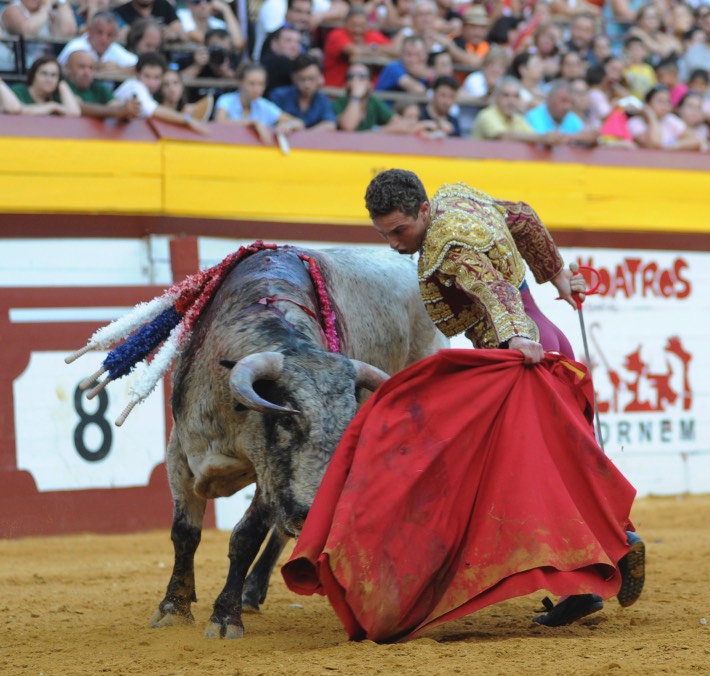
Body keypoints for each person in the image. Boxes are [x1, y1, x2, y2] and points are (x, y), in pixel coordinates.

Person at [281, 169, 645, 639]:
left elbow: (490, 286)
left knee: (516, 482)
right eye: (384, 234)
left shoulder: (447, 249)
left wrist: (515, 334)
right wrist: (556, 275)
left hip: (517, 361)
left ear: (423, 210)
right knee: (559, 470)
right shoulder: (457, 198)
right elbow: (524, 217)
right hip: (547, 345)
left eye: (400, 231)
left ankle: (604, 556)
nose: (394, 243)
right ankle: (601, 560)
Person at [112, 51, 208, 132]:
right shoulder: (135, 86)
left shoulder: (150, 93)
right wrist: (187, 119)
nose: (152, 83)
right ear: (137, 74)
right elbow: (153, 110)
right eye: (147, 76)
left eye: (156, 77)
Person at [214, 61, 302, 142]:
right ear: (240, 82)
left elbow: (299, 122)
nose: (257, 89)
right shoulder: (226, 100)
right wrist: (253, 123)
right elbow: (220, 122)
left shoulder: (264, 105)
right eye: (252, 84)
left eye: (261, 84)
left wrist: (288, 126)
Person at [65, 48, 142, 120]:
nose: (87, 72)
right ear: (67, 68)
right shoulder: (63, 86)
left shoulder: (99, 88)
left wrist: (130, 109)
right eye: (81, 67)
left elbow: (115, 105)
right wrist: (119, 111)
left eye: (91, 67)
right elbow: (79, 107)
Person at [268, 53, 337, 130]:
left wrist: (305, 135)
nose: (307, 85)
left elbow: (330, 124)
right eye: (302, 79)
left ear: (319, 78)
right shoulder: (279, 96)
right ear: (293, 77)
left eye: (311, 78)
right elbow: (271, 121)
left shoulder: (322, 100)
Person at [1, 0, 77, 68]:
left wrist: (62, 2)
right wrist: (45, 7)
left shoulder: (49, 12)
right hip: (16, 65)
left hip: (45, 65)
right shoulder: (12, 9)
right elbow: (27, 31)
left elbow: (68, 32)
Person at [58, 11, 138, 74]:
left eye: (109, 35)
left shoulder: (113, 48)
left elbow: (139, 65)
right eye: (99, 32)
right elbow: (59, 68)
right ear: (89, 30)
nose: (104, 39)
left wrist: (120, 69)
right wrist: (98, 67)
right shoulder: (76, 46)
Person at [11, 55, 81, 116]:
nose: (49, 79)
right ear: (33, 75)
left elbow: (74, 113)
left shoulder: (57, 95)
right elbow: (18, 110)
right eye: (44, 73)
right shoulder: (20, 90)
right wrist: (52, 106)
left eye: (54, 75)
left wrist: (62, 84)